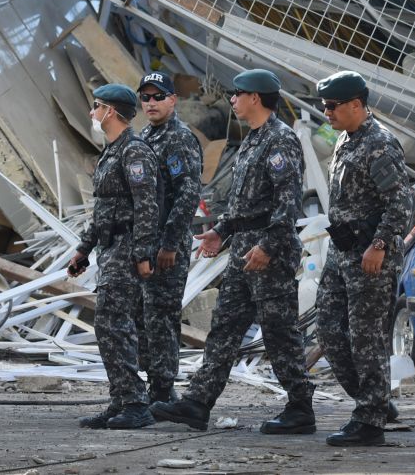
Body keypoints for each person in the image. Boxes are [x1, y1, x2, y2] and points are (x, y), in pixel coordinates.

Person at [150, 69, 315, 434]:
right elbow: (246, 204)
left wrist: (267, 247)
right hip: (244, 250)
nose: (232, 100)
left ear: (255, 98)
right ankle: (198, 403)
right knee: (225, 327)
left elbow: (287, 206)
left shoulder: (280, 141)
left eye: (237, 93)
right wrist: (221, 231)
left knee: (279, 332)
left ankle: (301, 406)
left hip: (268, 254)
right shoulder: (253, 141)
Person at [313, 71, 411, 447]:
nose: (327, 112)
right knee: (329, 331)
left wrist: (380, 245)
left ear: (357, 104)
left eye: (333, 106)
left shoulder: (380, 144)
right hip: (343, 254)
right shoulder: (345, 138)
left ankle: (369, 420)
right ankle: (376, 401)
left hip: (370, 256)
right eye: (324, 106)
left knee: (365, 338)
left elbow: (401, 203)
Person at [69, 84, 159, 430]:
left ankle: (135, 403)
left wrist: (142, 253)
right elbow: (102, 211)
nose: (92, 113)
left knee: (113, 325)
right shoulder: (112, 153)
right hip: (110, 249)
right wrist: (83, 248)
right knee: (111, 326)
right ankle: (122, 400)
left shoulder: (134, 152)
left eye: (97, 106)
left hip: (126, 249)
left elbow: (146, 207)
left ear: (111, 111)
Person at [135, 71, 203, 404]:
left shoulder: (178, 138)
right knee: (144, 316)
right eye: (145, 97)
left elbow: (188, 194)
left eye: (158, 96)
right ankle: (151, 384)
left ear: (173, 100)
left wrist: (170, 244)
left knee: (161, 315)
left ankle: (163, 388)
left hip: (166, 245)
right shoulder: (146, 136)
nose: (151, 103)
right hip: (145, 244)